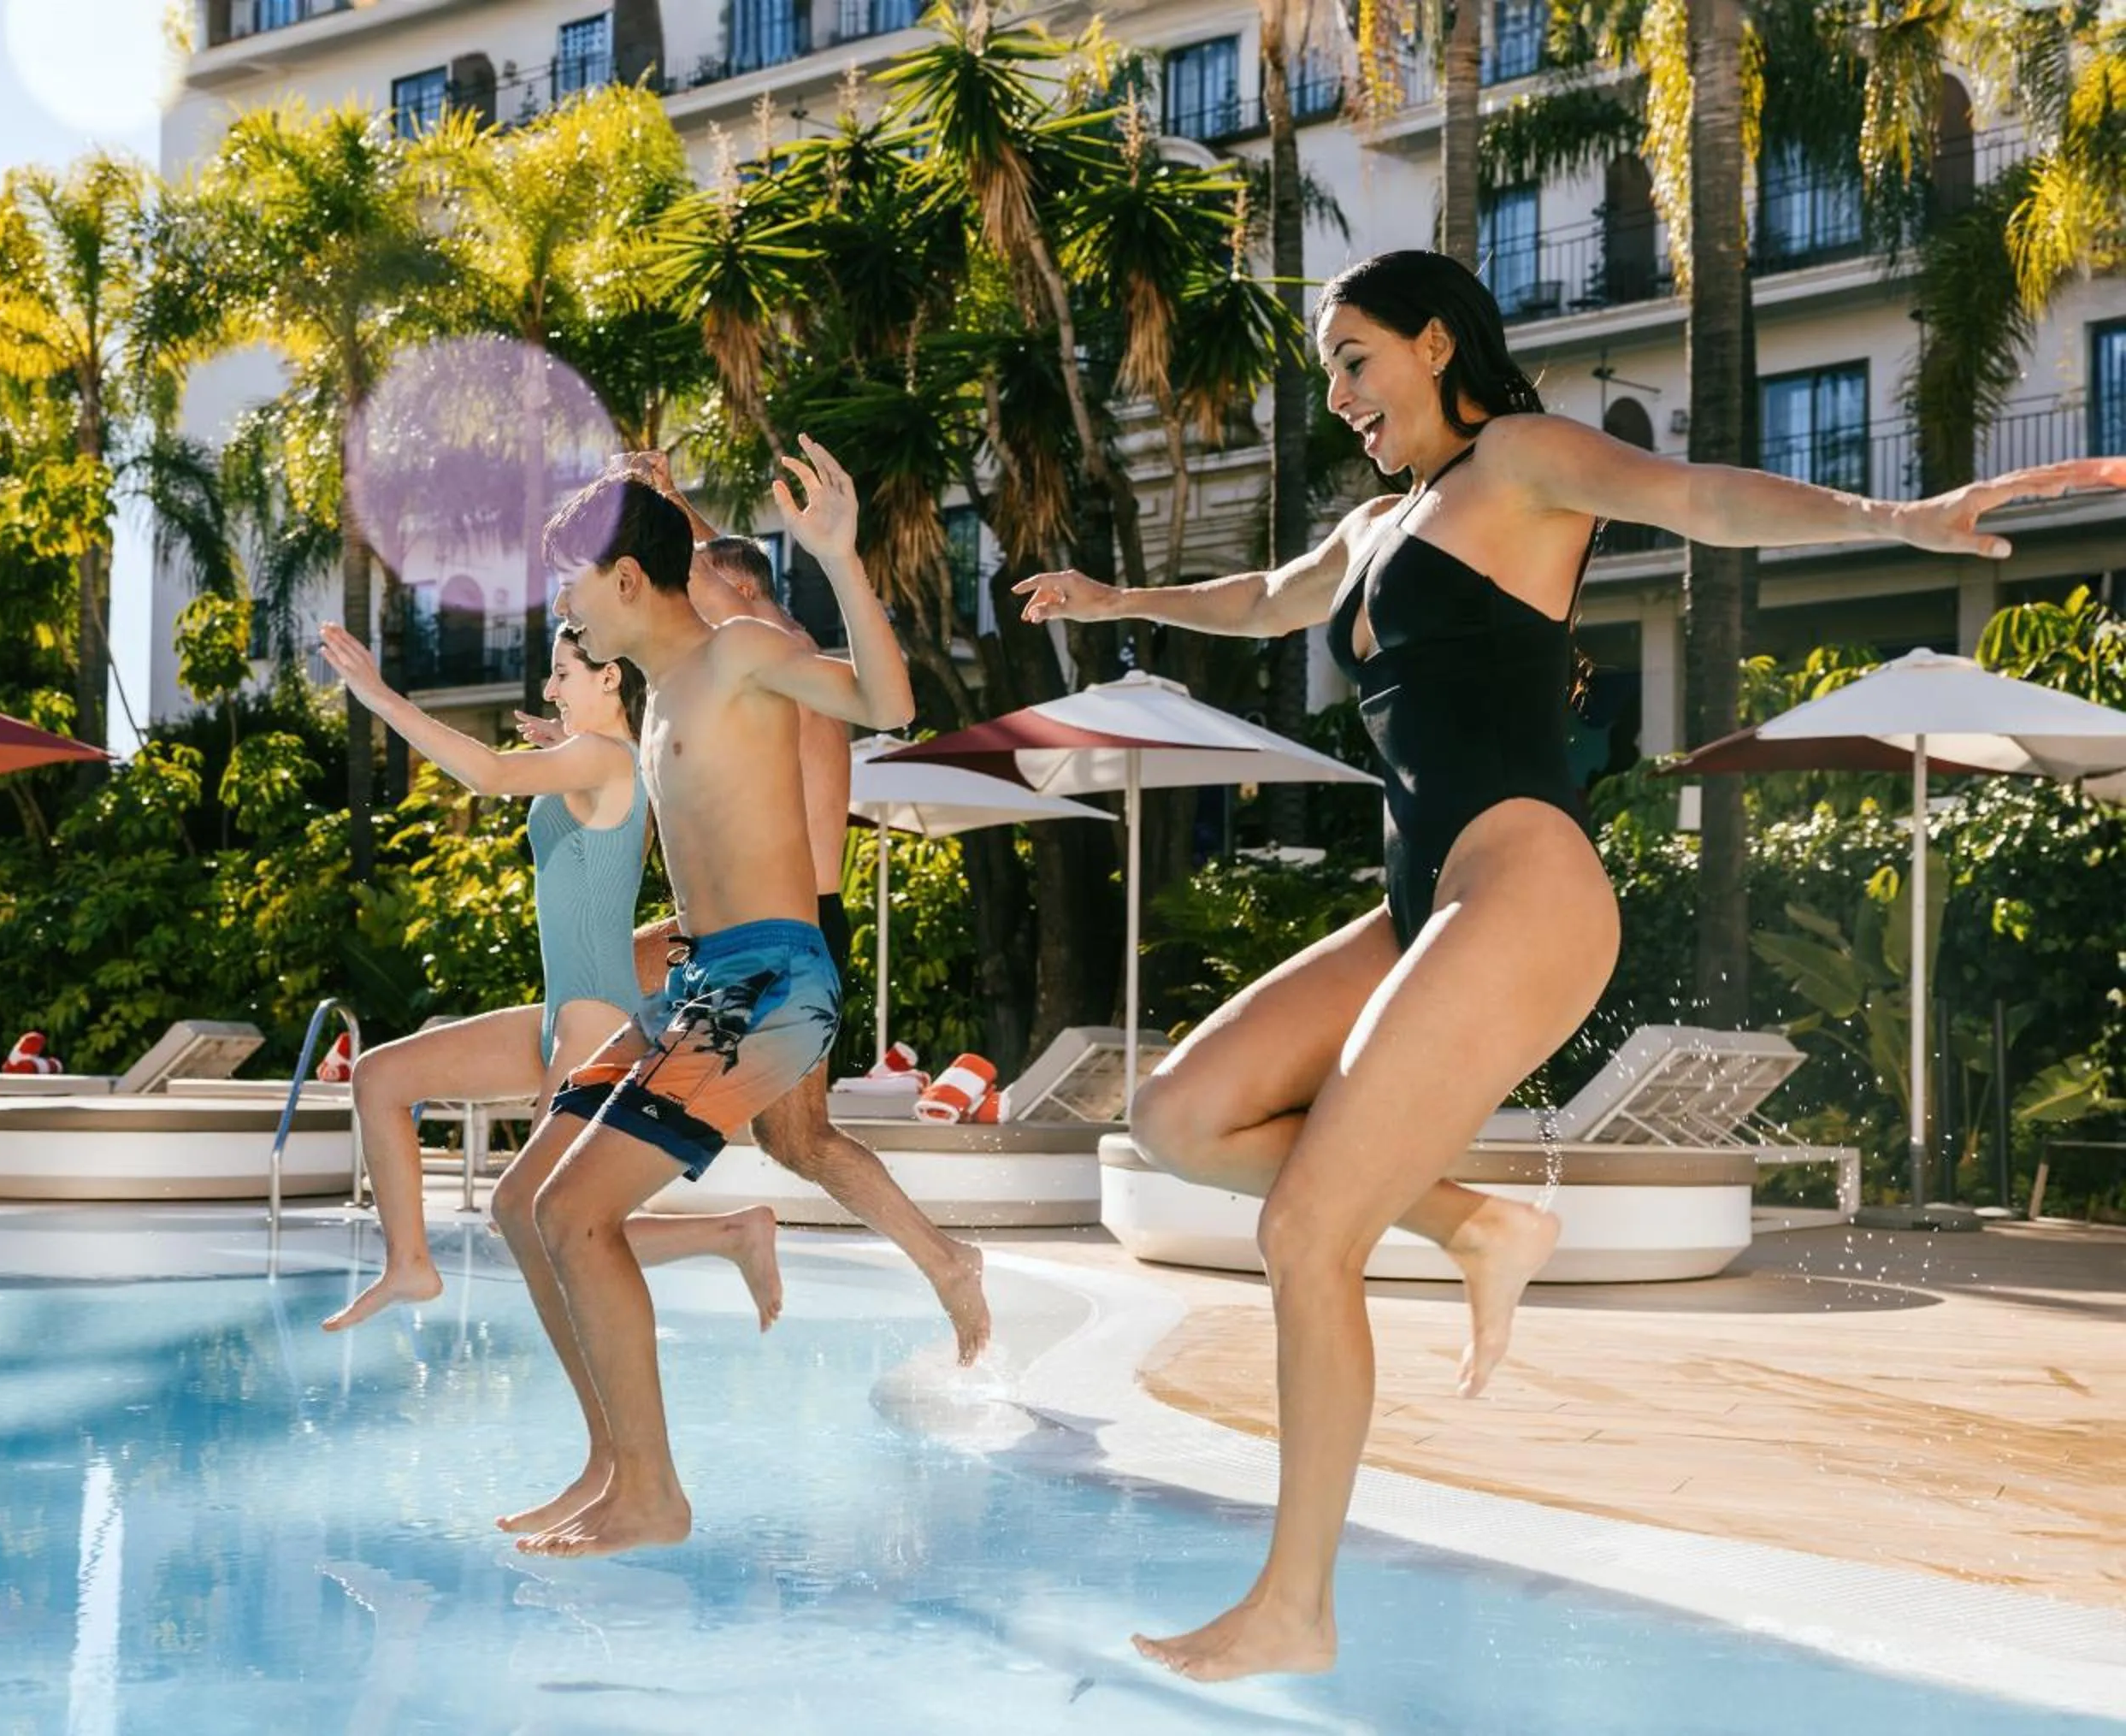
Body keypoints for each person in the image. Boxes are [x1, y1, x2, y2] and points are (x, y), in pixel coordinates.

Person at [1011, 247, 2126, 1681]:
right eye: (1330, 375)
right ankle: (1477, 1224)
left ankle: (1294, 1602)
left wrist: (1897, 513)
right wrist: (1117, 605)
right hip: (1424, 903)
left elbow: (1701, 499)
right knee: (1176, 1117)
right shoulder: (1372, 526)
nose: (1342, 397)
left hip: (1524, 885)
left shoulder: (1521, 463)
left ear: (1432, 343)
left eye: (1357, 361)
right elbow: (1272, 597)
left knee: (1305, 1237)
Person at [495, 439, 915, 1559]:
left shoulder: (735, 657)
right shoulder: (667, 694)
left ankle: (654, 1491)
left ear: (623, 583)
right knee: (526, 1202)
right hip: (703, 985)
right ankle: (613, 1460)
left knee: (578, 1215)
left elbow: (883, 696)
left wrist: (837, 555)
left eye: (572, 590)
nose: (567, 617)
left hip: (772, 981)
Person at [606, 451, 992, 1367]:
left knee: (606, 987)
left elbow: (749, 603)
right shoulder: (723, 672)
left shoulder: (770, 654)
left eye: (705, 582)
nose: (689, 598)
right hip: (744, 927)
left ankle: (582, 1163)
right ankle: (946, 1259)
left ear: (738, 589)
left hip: (788, 930)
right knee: (799, 1139)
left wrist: (676, 514)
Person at [312, 623, 781, 1339]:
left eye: (563, 673)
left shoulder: (603, 756)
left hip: (593, 1022)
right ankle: (409, 1263)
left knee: (546, 1220)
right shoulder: (603, 759)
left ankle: (733, 1235)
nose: (550, 687)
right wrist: (557, 745)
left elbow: (490, 777)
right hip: (562, 1017)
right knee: (380, 1079)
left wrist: (376, 695)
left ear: (610, 678)